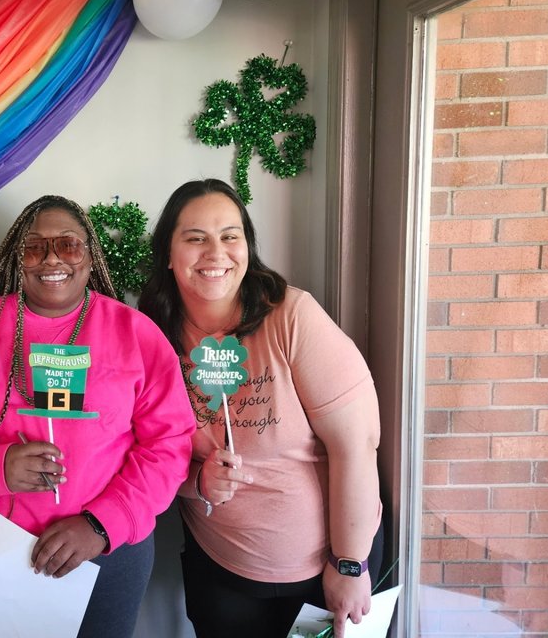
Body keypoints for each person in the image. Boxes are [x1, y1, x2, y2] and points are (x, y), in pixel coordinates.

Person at [0, 194, 195, 638]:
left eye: (69, 245)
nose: (51, 258)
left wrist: (101, 524)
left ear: (91, 257)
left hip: (106, 554)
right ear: (18, 260)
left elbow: (169, 445)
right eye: (35, 247)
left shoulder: (136, 334)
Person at [138, 179, 383, 638]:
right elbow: (149, 459)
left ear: (247, 247)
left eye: (230, 236)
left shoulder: (291, 316)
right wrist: (199, 482)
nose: (216, 252)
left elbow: (357, 443)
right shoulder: (154, 339)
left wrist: (349, 563)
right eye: (195, 238)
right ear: (168, 255)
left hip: (327, 568)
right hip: (222, 571)